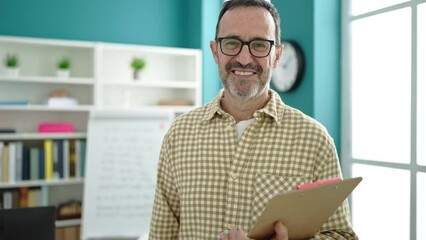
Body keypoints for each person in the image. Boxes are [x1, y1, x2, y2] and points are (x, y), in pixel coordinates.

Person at [149, 0, 358, 239]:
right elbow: (161, 235)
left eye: (259, 44)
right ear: (215, 51)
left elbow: (341, 235)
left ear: (277, 55)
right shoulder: (179, 134)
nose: (245, 58)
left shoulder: (315, 140)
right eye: (231, 43)